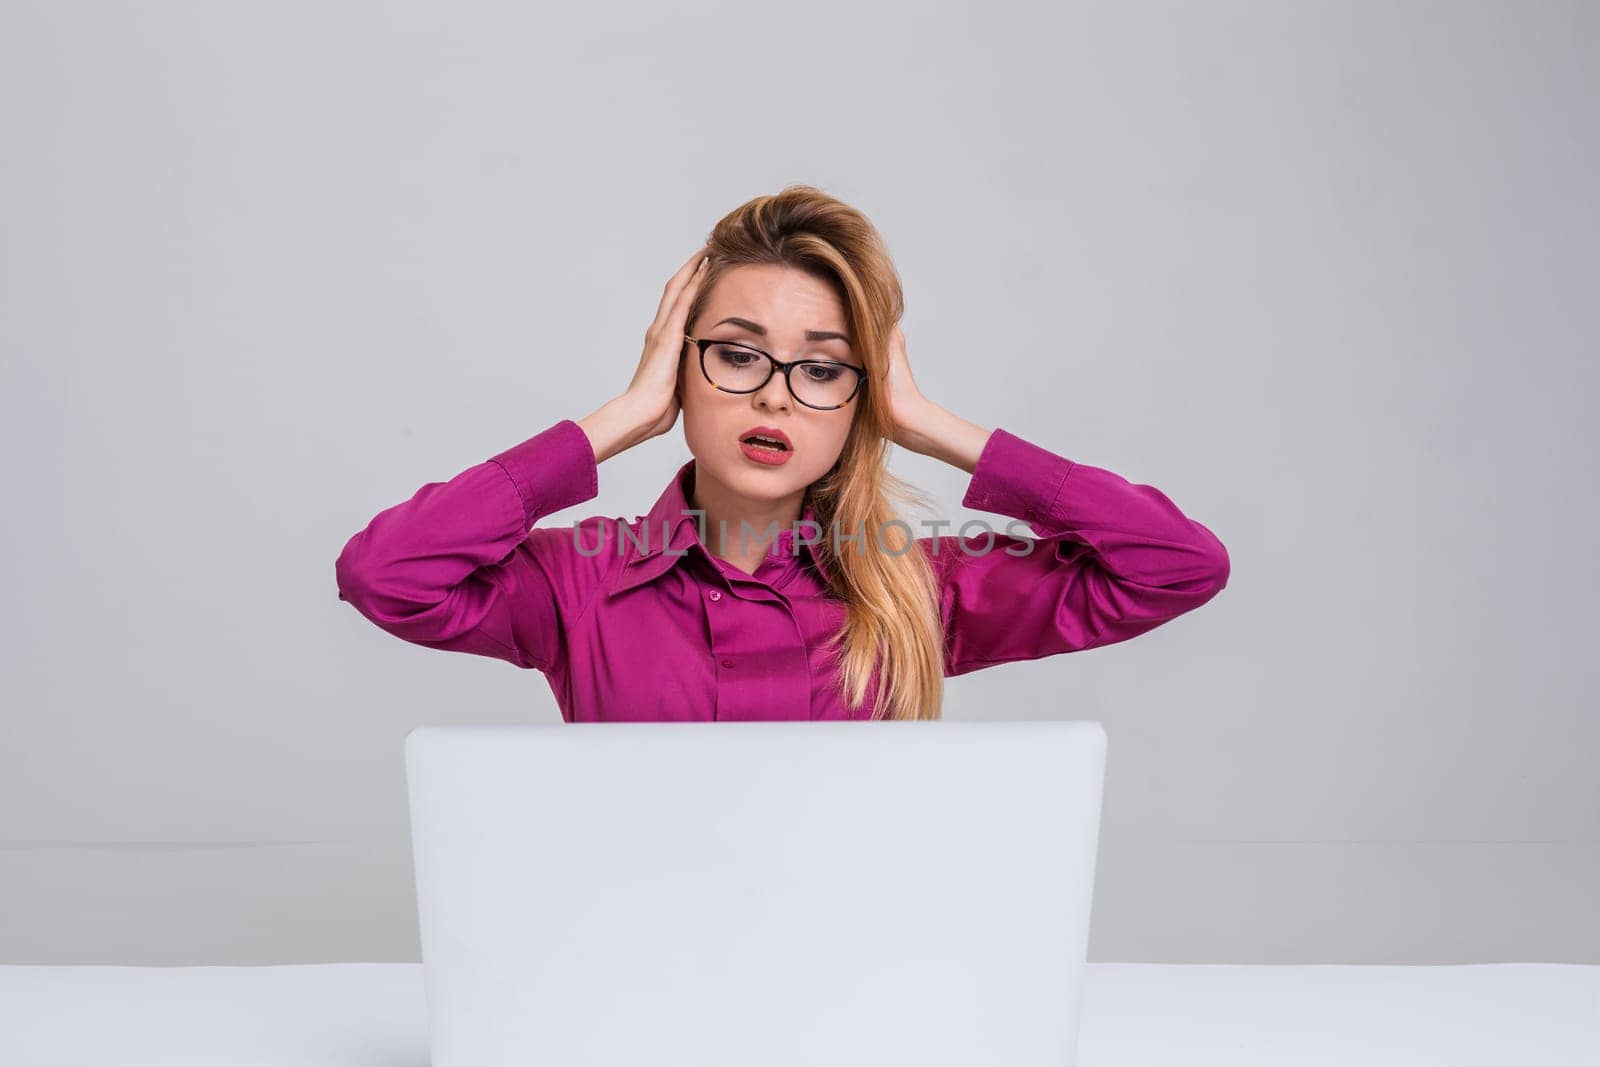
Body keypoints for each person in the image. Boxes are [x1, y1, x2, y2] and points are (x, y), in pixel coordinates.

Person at [334, 185, 1229, 722]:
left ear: (860, 398)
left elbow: (1176, 567)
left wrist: (928, 423)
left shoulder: (920, 587)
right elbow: (385, 575)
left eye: (825, 368)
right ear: (678, 365)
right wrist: (616, 419)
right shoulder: (579, 582)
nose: (774, 393)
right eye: (735, 351)